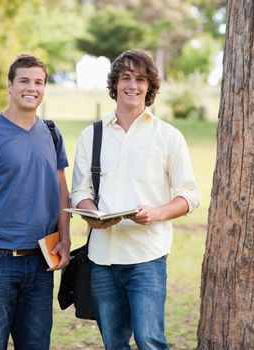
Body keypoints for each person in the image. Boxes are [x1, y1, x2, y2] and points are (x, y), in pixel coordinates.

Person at [70, 49, 200, 349]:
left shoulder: (168, 137)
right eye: (126, 77)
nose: (133, 85)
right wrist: (90, 213)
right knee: (114, 343)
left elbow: (189, 195)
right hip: (102, 257)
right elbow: (80, 191)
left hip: (147, 258)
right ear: (115, 84)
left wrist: (155, 213)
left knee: (149, 340)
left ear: (150, 87)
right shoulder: (92, 135)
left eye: (141, 79)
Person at [0, 54, 71, 350]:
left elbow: (62, 189)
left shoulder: (51, 133)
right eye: (24, 80)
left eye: (38, 82)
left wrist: (66, 240)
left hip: (41, 263)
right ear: (9, 86)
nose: (31, 88)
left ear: (44, 88)